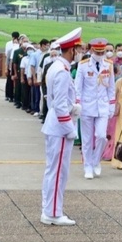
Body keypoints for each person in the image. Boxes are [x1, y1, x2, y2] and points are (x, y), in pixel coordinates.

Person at [40, 27, 83, 226]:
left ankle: (50, 209)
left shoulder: (56, 67)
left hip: (55, 124)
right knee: (58, 172)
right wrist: (70, 130)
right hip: (60, 128)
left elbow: (55, 101)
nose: (80, 52)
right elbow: (58, 106)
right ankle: (53, 213)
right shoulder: (62, 71)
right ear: (71, 50)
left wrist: (72, 107)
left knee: (53, 170)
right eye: (78, 49)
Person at [74, 38, 116, 179]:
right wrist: (78, 104)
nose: (100, 54)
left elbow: (111, 87)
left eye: (102, 52)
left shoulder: (108, 65)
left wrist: (111, 105)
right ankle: (87, 166)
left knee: (102, 136)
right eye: (97, 52)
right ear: (92, 50)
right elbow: (78, 87)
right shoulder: (83, 65)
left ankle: (96, 160)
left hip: (103, 106)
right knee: (86, 140)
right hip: (87, 105)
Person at [4, 31, 20, 102]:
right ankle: (8, 95)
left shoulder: (19, 45)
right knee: (9, 81)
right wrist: (6, 68)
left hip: (15, 64)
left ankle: (13, 96)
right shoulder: (9, 44)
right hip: (11, 64)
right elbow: (7, 56)